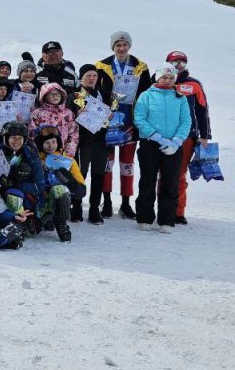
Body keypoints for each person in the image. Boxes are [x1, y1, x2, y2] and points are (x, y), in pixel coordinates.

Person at [94, 31, 152, 221]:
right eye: (118, 45)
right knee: (108, 163)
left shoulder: (140, 67)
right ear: (113, 47)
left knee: (127, 164)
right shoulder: (102, 66)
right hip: (109, 121)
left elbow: (146, 95)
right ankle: (107, 201)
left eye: (124, 45)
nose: (121, 48)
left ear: (129, 46)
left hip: (130, 121)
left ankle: (126, 203)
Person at [133, 65, 191, 233]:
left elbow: (185, 121)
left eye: (171, 78)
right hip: (150, 144)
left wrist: (176, 142)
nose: (167, 80)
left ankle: (167, 220)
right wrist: (158, 137)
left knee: (170, 182)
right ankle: (145, 217)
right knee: (147, 181)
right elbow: (139, 119)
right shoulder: (146, 95)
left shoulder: (180, 97)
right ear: (157, 78)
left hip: (173, 146)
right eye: (164, 77)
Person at [168, 51, 211, 224]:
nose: (178, 66)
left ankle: (178, 211)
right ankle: (163, 210)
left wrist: (205, 135)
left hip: (187, 136)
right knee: (163, 174)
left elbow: (202, 110)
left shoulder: (193, 84)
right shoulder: (160, 81)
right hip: (165, 136)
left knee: (179, 174)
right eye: (174, 62)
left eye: (182, 63)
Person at [72, 65, 108, 224]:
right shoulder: (74, 95)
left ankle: (94, 208)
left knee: (99, 174)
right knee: (81, 174)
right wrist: (76, 114)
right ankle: (77, 206)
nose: (92, 78)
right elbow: (66, 117)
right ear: (81, 78)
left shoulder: (105, 95)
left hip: (101, 141)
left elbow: (112, 113)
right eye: (88, 75)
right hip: (83, 141)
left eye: (94, 75)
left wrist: (112, 115)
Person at [32, 126, 80, 242]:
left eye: (53, 142)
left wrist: (70, 180)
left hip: (58, 199)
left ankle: (61, 224)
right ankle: (40, 218)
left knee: (60, 189)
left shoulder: (68, 161)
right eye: (46, 143)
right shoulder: (34, 159)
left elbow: (81, 191)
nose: (51, 146)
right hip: (38, 198)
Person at [28, 82, 78, 158]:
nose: (55, 96)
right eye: (52, 94)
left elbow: (73, 135)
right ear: (44, 96)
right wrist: (37, 152)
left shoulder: (68, 113)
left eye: (58, 94)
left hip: (62, 154)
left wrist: (68, 153)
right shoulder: (37, 113)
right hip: (41, 154)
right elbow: (32, 134)